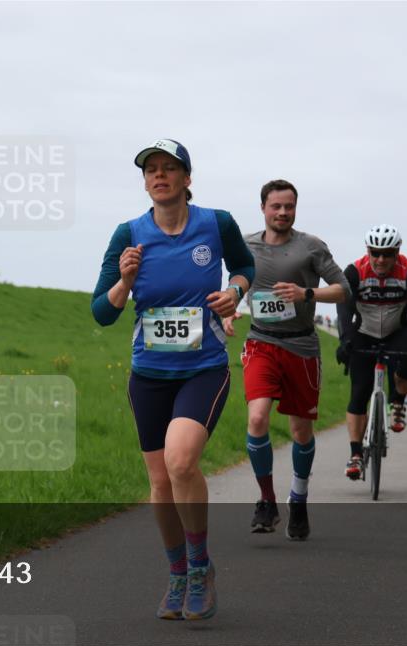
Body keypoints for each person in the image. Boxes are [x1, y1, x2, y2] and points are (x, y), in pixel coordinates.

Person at [92, 139, 254, 621]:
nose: (159, 176)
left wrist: (234, 292)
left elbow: (245, 266)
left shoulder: (216, 223)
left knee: (182, 462)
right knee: (160, 483)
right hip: (149, 374)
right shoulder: (129, 234)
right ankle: (177, 573)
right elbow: (102, 312)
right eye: (151, 170)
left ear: (187, 178)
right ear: (145, 181)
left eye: (169, 168)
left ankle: (202, 567)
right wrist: (123, 281)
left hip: (203, 368)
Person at [223, 180, 347, 540]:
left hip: (302, 346)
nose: (282, 213)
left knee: (300, 431)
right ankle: (266, 500)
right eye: (276, 206)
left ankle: (299, 498)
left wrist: (306, 292)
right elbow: (238, 280)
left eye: (288, 207)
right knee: (257, 417)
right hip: (262, 342)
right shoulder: (246, 245)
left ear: (295, 209)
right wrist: (231, 309)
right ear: (263, 207)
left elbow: (343, 289)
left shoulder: (310, 247)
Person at [336, 225, 407, 481]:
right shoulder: (355, 270)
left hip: (397, 329)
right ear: (368, 251)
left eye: (387, 254)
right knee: (359, 392)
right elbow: (344, 308)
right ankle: (355, 455)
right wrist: (345, 341)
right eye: (375, 253)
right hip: (363, 330)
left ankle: (397, 400)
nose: (380, 260)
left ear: (397, 252)